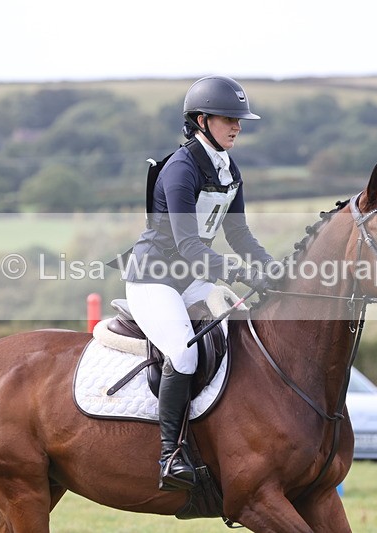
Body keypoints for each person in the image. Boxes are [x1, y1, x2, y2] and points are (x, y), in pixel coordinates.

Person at [121, 75, 276, 491]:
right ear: (202, 120)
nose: (237, 127)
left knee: (246, 336)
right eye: (229, 119)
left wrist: (274, 268)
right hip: (154, 280)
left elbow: (240, 236)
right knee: (185, 356)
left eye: (239, 120)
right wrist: (242, 273)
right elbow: (190, 245)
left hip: (190, 279)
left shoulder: (228, 168)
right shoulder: (180, 169)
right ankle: (170, 455)